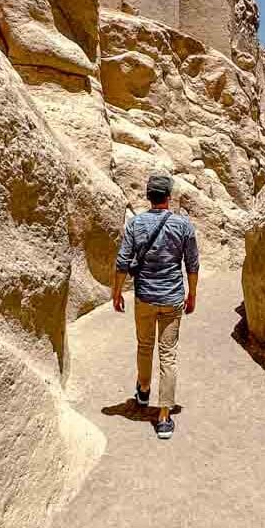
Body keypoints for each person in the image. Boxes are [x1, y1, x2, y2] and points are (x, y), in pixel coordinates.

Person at [112, 173, 199, 440]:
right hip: (172, 298)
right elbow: (192, 264)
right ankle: (163, 417)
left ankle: (144, 389)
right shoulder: (183, 225)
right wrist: (191, 294)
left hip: (145, 298)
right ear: (169, 197)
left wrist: (116, 293)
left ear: (149, 196)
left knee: (144, 346)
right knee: (168, 355)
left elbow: (122, 261)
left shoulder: (136, 224)